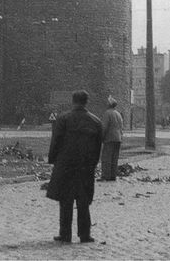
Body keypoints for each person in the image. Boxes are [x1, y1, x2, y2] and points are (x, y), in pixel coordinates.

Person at [46, 90, 103, 244]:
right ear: (86, 102)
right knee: (83, 201)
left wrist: (53, 160)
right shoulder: (96, 122)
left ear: (73, 101)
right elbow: (98, 147)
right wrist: (93, 163)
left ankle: (65, 234)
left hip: (66, 166)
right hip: (85, 167)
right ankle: (85, 234)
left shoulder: (63, 119)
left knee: (66, 201)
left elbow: (56, 141)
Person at [100, 96, 124, 181]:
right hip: (118, 138)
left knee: (107, 157)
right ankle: (113, 175)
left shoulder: (107, 113)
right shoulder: (118, 114)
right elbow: (121, 127)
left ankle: (105, 176)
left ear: (109, 104)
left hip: (110, 138)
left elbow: (104, 127)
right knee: (114, 157)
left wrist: (101, 137)